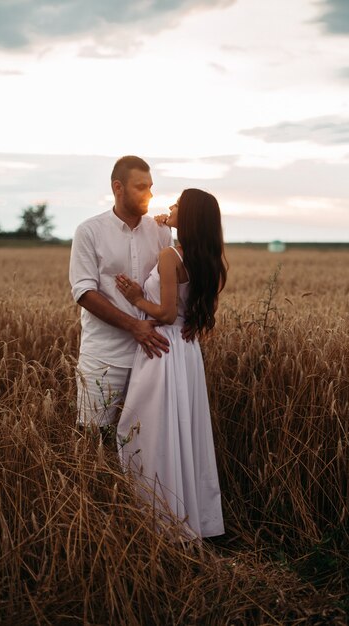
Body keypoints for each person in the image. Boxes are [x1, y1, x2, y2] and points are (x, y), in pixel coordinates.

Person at [116, 188, 228, 539]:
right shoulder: (207, 257)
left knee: (150, 432)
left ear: (190, 216)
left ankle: (159, 523)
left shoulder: (169, 256)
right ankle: (194, 519)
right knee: (184, 431)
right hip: (187, 349)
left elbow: (165, 312)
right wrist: (163, 224)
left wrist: (135, 298)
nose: (170, 206)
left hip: (162, 349)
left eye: (178, 204)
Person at [69, 155, 173, 431]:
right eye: (141, 187)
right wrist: (133, 326)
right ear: (118, 187)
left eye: (150, 187)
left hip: (152, 354)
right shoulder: (89, 231)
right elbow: (83, 292)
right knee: (92, 438)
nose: (149, 194)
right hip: (103, 356)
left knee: (147, 444)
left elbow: (173, 287)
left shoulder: (161, 232)